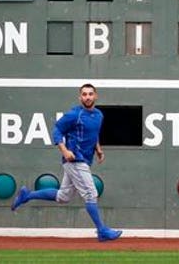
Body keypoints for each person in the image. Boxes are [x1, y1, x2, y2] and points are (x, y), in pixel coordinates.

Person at [10, 83, 122, 242]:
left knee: (63, 197)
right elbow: (57, 130)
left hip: (85, 160)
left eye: (90, 94)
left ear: (95, 96)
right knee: (91, 194)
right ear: (80, 97)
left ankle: (27, 195)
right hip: (75, 159)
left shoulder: (98, 115)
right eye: (84, 94)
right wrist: (64, 150)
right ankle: (102, 231)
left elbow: (94, 134)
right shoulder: (74, 114)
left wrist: (98, 149)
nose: (88, 97)